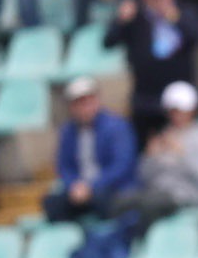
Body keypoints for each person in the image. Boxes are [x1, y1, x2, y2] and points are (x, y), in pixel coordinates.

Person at [111, 0, 198, 121]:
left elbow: (197, 36)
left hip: (180, 92)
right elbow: (109, 41)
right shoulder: (135, 18)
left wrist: (174, 18)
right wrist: (120, 21)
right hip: (147, 97)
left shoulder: (185, 12)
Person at [46, 78, 138, 222]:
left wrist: (91, 186)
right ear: (72, 107)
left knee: (104, 201)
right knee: (52, 203)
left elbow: (121, 165)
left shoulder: (117, 127)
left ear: (97, 101)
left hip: (111, 188)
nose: (85, 108)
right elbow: (64, 165)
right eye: (79, 103)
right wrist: (74, 185)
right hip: (79, 189)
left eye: (88, 102)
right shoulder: (68, 132)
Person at [128, 79, 198, 222]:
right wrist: (150, 157)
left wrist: (182, 155)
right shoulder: (164, 135)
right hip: (157, 192)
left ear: (192, 111)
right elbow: (143, 176)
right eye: (172, 111)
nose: (176, 115)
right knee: (123, 202)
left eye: (180, 111)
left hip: (187, 196)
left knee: (148, 206)